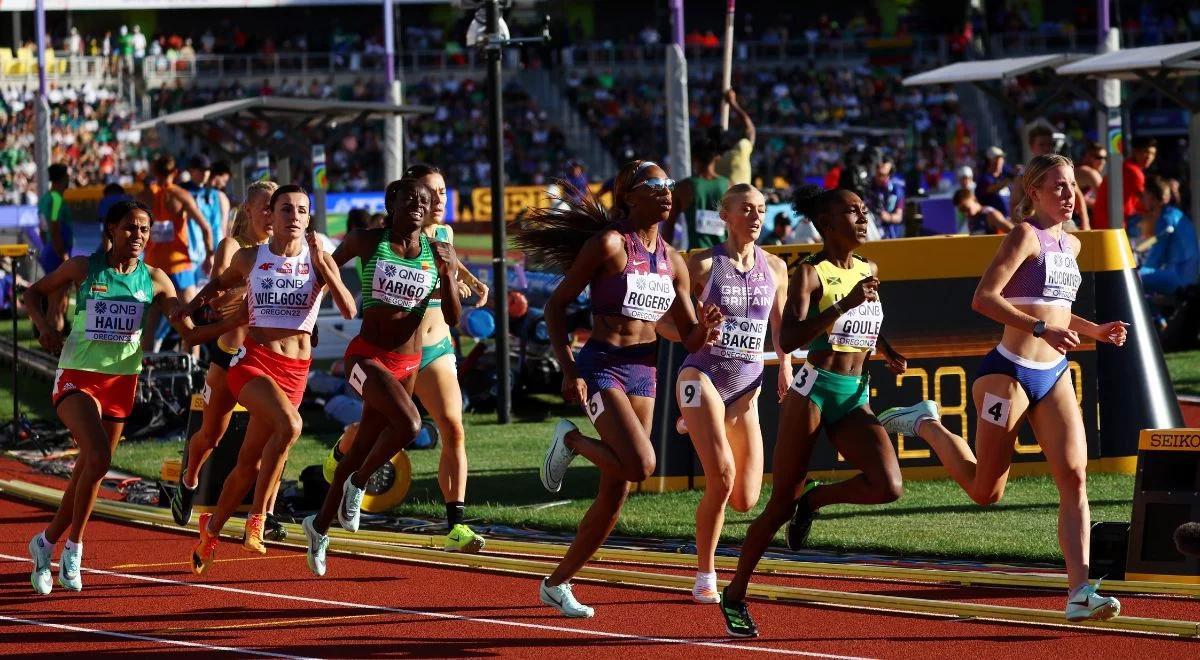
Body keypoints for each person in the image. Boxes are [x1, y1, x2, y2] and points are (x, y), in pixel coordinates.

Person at [879, 154, 1130, 622]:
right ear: (1033, 192)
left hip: (1053, 373)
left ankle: (1078, 592)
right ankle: (927, 424)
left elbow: (1054, 309)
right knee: (985, 491)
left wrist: (1093, 331)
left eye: (1072, 185)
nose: (1068, 194)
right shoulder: (1023, 235)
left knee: (1075, 477)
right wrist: (1040, 331)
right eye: (1057, 186)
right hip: (1007, 372)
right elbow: (985, 298)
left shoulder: (1071, 245)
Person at [512, 160, 722, 618]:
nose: (667, 192)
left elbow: (687, 338)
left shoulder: (673, 260)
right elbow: (556, 307)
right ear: (628, 196)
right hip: (602, 365)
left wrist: (705, 329)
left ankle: (556, 583)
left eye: (669, 185)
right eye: (655, 185)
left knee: (616, 492)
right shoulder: (609, 244)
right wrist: (570, 369)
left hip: (644, 373)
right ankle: (570, 439)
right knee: (641, 465)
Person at [718, 185, 909, 638]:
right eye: (852, 212)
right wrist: (846, 302)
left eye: (865, 210)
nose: (864, 219)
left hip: (855, 394)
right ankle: (735, 594)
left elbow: (866, 324)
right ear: (826, 223)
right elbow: (788, 341)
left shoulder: (868, 268)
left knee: (888, 485)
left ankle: (816, 501)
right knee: (780, 501)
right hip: (813, 392)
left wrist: (887, 350)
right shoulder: (810, 272)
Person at [23, 200, 233, 593]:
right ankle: (75, 548)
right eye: (130, 228)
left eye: (144, 230)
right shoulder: (84, 268)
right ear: (111, 230)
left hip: (121, 383)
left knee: (92, 466)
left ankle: (49, 542)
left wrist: (221, 320)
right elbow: (31, 294)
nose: (138, 236)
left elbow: (183, 325)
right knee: (99, 457)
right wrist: (43, 328)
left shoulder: (155, 279)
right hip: (78, 378)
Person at [179, 185, 356, 572]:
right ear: (270, 218)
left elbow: (348, 307)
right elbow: (216, 287)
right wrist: (187, 315)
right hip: (252, 362)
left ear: (309, 219)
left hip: (296, 372)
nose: (293, 216)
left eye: (301, 210)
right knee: (291, 426)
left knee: (249, 465)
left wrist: (330, 274)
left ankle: (212, 530)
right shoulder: (249, 257)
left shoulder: (319, 259)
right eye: (285, 210)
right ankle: (257, 518)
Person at [321, 165, 491, 553]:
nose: (437, 201)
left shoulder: (443, 235)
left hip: (437, 348)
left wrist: (470, 280)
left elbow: (451, 262)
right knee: (382, 433)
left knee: (453, 428)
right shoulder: (385, 242)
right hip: (390, 351)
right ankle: (343, 453)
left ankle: (456, 524)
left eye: (442, 193)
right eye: (429, 192)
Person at [302, 178, 462, 576]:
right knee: (410, 425)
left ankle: (319, 527)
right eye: (409, 199)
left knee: (361, 448)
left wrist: (450, 269)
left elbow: (455, 318)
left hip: (407, 364)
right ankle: (358, 483)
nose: (418, 206)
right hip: (366, 358)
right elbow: (322, 272)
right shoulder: (366, 241)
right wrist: (309, 320)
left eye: (424, 202)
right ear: (391, 202)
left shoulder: (435, 251)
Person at [675, 183, 790, 603]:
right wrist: (699, 329)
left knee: (745, 498)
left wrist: (787, 367)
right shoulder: (702, 264)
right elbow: (668, 324)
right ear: (725, 215)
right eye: (747, 209)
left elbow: (780, 328)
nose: (756, 216)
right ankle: (705, 574)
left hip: (747, 387)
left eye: (761, 209)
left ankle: (701, 421)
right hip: (701, 374)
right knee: (721, 480)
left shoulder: (776, 267)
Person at [169, 181, 277, 531]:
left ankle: (265, 513)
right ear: (248, 209)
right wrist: (255, 294)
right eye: (265, 207)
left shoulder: (282, 249)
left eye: (276, 207)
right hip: (229, 352)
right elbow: (216, 300)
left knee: (281, 428)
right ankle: (189, 479)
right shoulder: (233, 246)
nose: (271, 214)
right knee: (212, 435)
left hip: (268, 354)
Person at [139, 154, 213, 352]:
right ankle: (193, 365)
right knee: (189, 323)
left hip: (153, 266)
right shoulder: (181, 195)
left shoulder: (144, 196)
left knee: (150, 325)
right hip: (179, 265)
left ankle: (146, 368)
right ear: (175, 172)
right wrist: (209, 255)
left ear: (154, 172)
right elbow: (206, 228)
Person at [1011, 126, 1090, 230]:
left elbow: (1078, 196)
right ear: (1031, 146)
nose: (1046, 148)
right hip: (1036, 227)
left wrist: (1086, 223)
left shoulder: (1061, 171)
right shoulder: (1022, 177)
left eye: (1049, 144)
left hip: (1064, 226)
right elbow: (1015, 206)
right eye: (1041, 144)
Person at [1131, 175, 1198, 297]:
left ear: (1151, 197)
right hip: (1185, 274)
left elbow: (1153, 261)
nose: (1142, 199)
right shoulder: (1172, 213)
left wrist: (1133, 271)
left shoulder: (1166, 219)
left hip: (1179, 276)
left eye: (1144, 194)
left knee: (1131, 280)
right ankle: (1156, 316)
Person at [667, 138, 729, 251]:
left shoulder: (683, 188)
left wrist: (665, 257)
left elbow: (669, 226)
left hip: (697, 258)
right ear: (716, 156)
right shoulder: (730, 186)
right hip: (726, 257)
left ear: (693, 157)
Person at [36, 164, 74, 333]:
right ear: (63, 178)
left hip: (50, 250)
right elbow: (54, 226)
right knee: (57, 302)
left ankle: (53, 338)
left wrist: (49, 247)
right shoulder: (56, 199)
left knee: (57, 300)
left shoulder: (45, 198)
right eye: (67, 177)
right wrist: (63, 254)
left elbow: (43, 230)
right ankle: (55, 341)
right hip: (57, 252)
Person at [183, 155, 230, 286]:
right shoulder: (181, 192)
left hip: (205, 254)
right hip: (184, 253)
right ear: (191, 170)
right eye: (201, 170)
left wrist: (215, 254)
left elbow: (216, 227)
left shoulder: (213, 195)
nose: (205, 173)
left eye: (208, 170)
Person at [1093, 136, 1157, 231]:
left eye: (1153, 153)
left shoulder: (1124, 167)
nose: (1149, 157)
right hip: (1113, 226)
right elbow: (1147, 204)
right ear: (1135, 151)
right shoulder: (1134, 172)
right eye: (1146, 152)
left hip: (1102, 224)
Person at [714, 89, 756, 187]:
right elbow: (750, 128)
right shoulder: (741, 150)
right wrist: (733, 103)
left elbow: (749, 128)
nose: (728, 135)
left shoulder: (741, 149)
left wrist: (733, 103)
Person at [866, 157, 905, 239]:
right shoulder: (867, 187)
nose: (880, 177)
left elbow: (899, 217)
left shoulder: (896, 190)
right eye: (878, 173)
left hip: (892, 233)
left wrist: (887, 217)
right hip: (872, 231)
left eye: (883, 175)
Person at [977, 146, 1015, 218]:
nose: (999, 163)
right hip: (995, 224)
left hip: (1010, 219)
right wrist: (1010, 178)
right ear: (989, 161)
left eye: (1001, 160)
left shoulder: (1004, 175)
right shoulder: (984, 178)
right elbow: (991, 189)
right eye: (996, 160)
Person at [1074, 141, 1106, 218]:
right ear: (1087, 156)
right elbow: (1104, 201)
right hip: (1074, 218)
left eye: (1105, 158)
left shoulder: (1077, 167)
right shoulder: (1090, 172)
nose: (1103, 161)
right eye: (1098, 157)